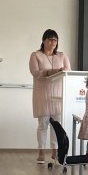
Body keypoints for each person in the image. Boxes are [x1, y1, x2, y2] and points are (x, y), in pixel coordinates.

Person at [29, 28, 71, 163]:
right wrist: (50, 72)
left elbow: (68, 71)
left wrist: (60, 71)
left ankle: (55, 152)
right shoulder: (36, 55)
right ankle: (41, 151)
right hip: (42, 95)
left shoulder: (62, 55)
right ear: (43, 40)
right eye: (50, 39)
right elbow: (35, 72)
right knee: (43, 124)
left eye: (55, 40)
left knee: (57, 125)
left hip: (58, 95)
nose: (53, 42)